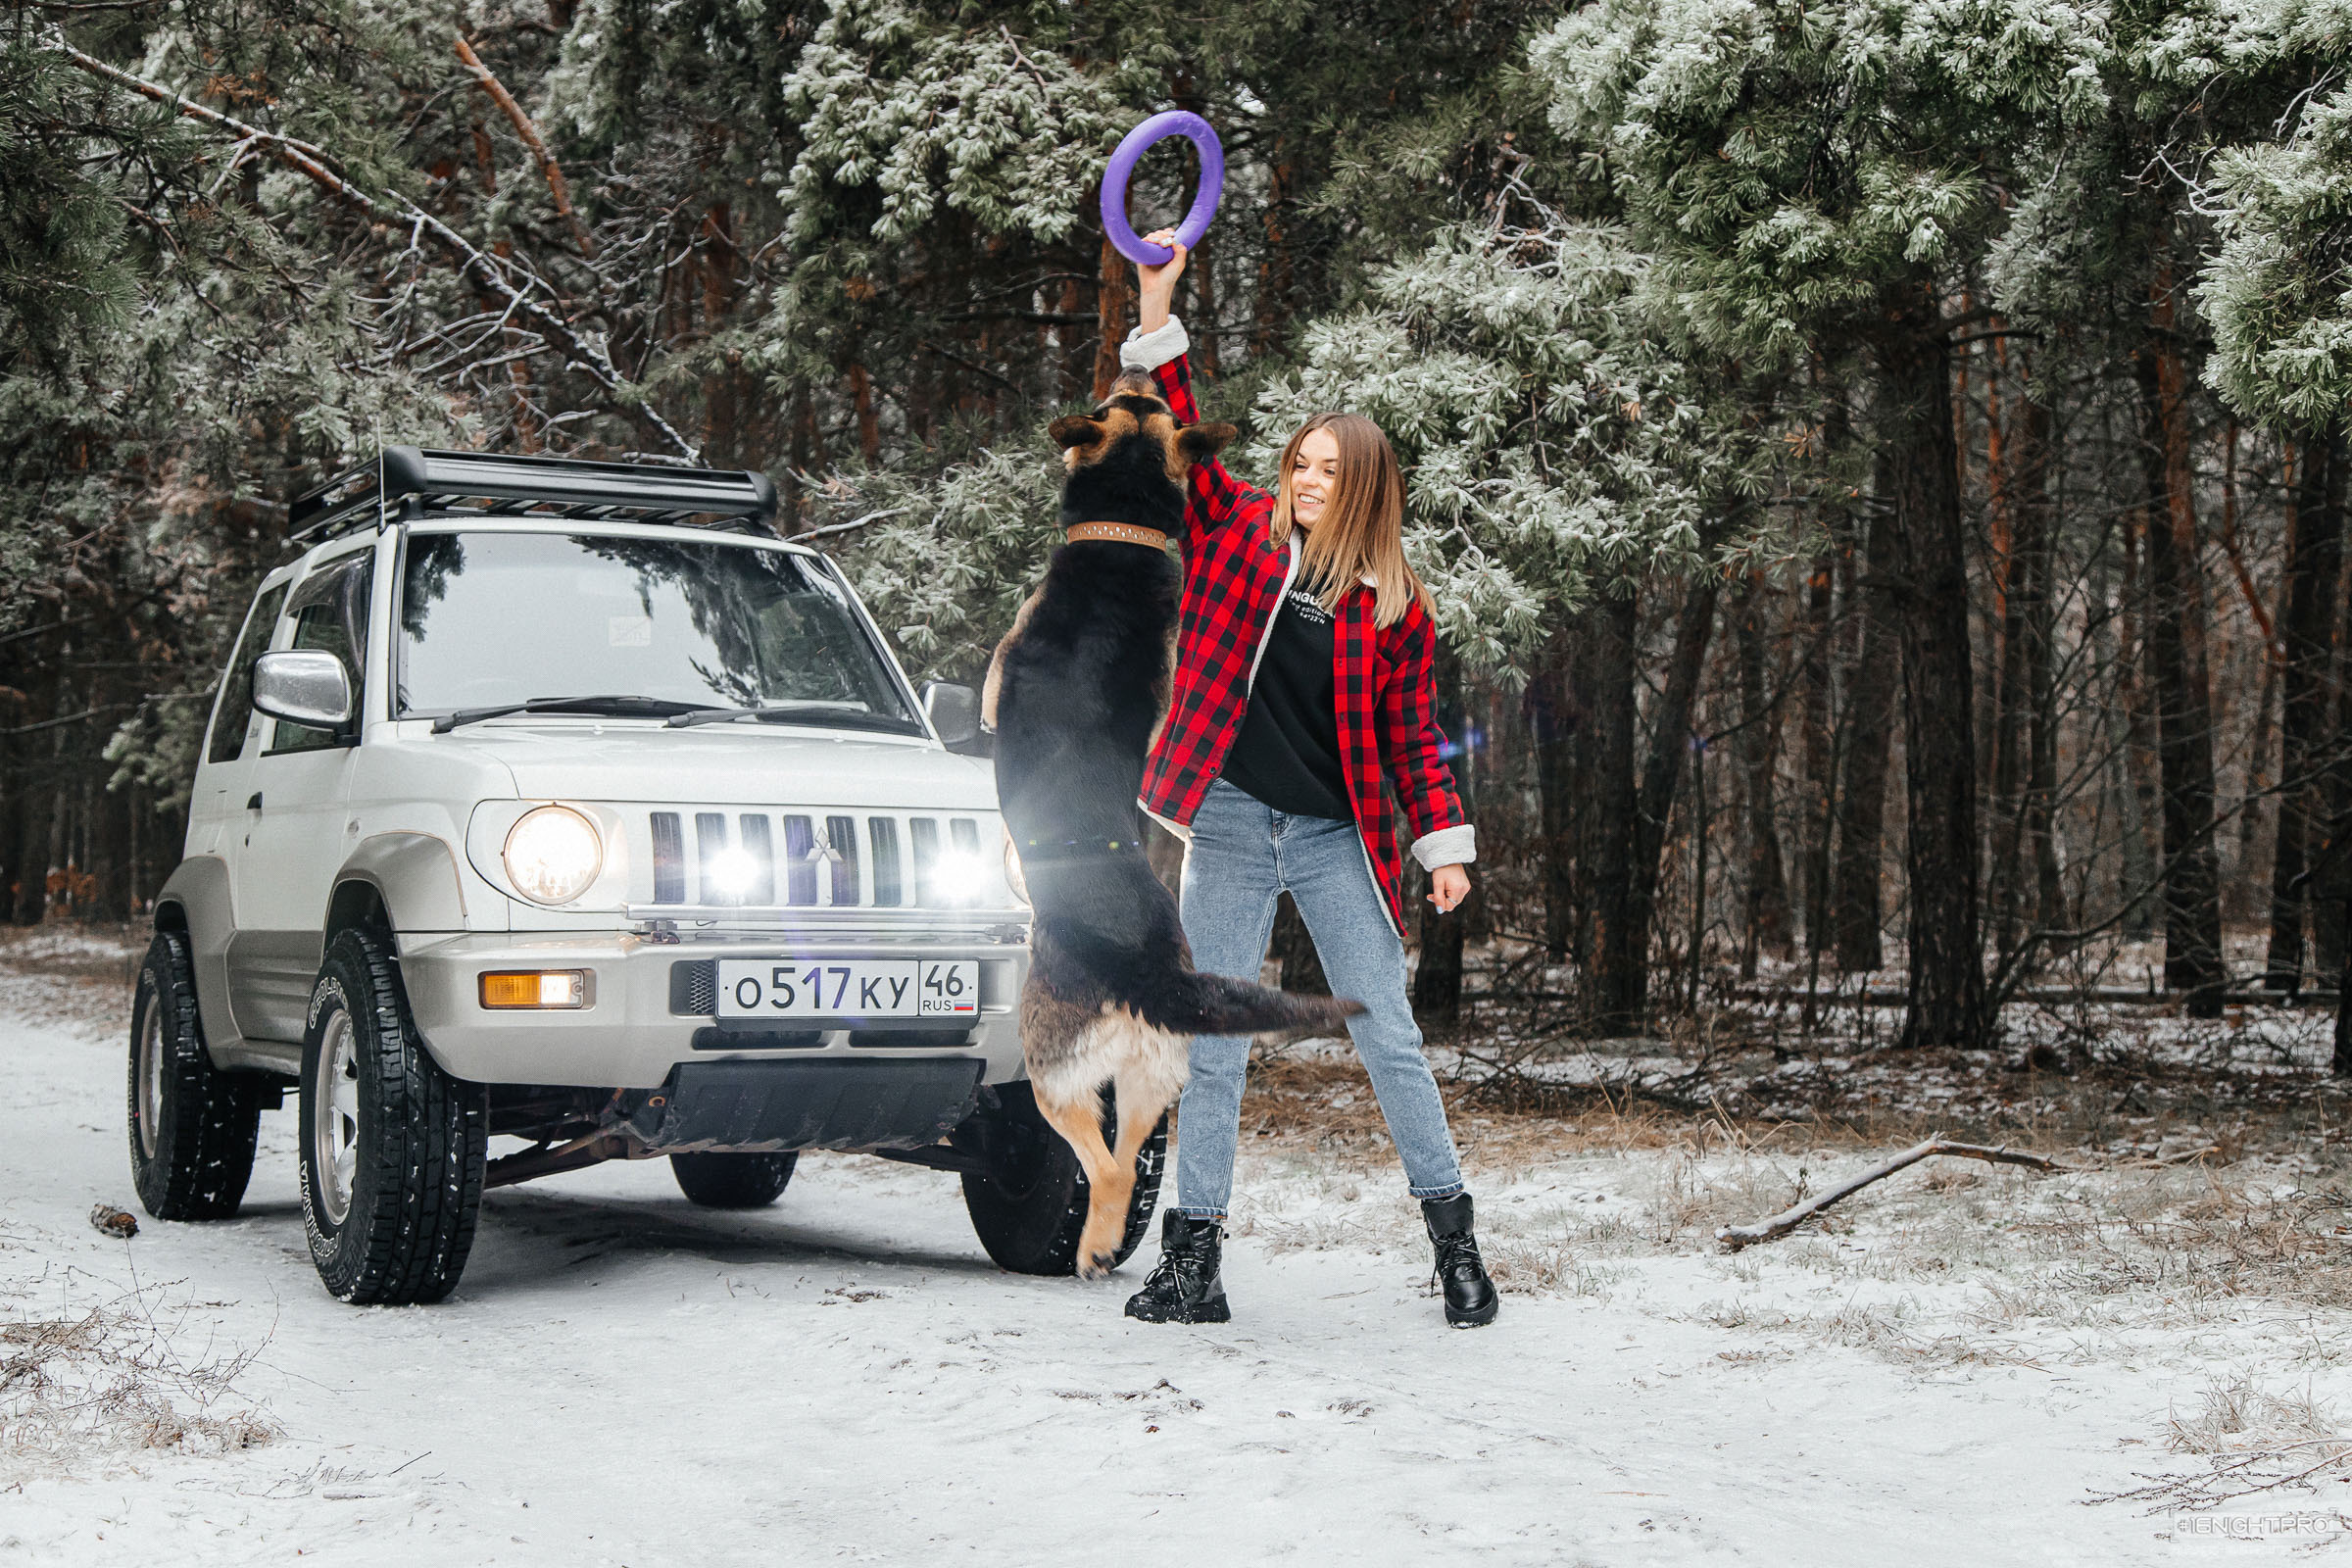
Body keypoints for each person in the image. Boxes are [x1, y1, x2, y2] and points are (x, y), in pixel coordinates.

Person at [1114, 227, 1497, 1330]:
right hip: (1231, 821)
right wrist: (1158, 306)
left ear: (1366, 486)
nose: (1308, 479)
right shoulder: (1239, 534)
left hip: (1336, 837)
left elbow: (1417, 740)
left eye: (1332, 470)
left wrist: (1445, 847)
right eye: (1300, 462)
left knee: (1387, 1036)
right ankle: (1195, 1264)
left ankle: (1455, 1245)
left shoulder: (1393, 606)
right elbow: (1182, 431)